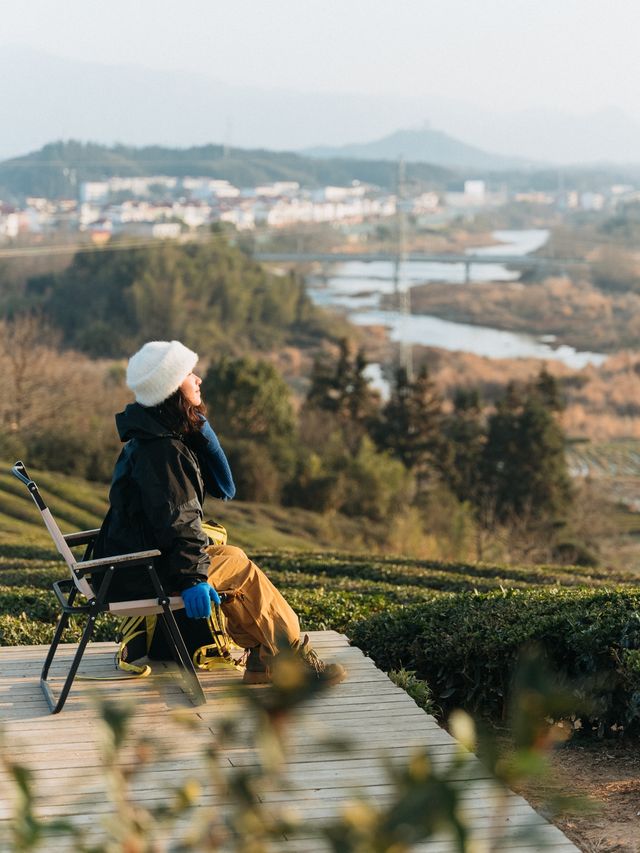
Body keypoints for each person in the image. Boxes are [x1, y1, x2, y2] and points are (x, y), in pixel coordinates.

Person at [93, 339, 346, 686]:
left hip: (134, 564)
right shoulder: (164, 452)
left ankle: (264, 661)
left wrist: (200, 428)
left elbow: (197, 502)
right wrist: (193, 579)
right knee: (240, 569)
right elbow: (178, 521)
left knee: (232, 556)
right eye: (188, 375)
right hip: (140, 573)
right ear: (170, 389)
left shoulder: (152, 439)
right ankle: (288, 660)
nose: (198, 380)